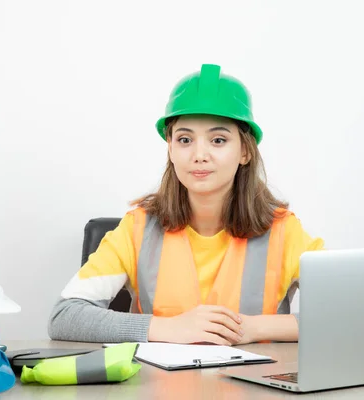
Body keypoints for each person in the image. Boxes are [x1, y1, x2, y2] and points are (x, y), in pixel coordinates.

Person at [48, 64, 324, 345]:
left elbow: (350, 313)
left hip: (257, 385)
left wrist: (251, 329)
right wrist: (167, 328)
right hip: (155, 387)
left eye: (218, 140)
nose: (199, 154)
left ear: (244, 151)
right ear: (170, 148)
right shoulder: (137, 229)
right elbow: (65, 316)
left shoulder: (284, 231)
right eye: (184, 139)